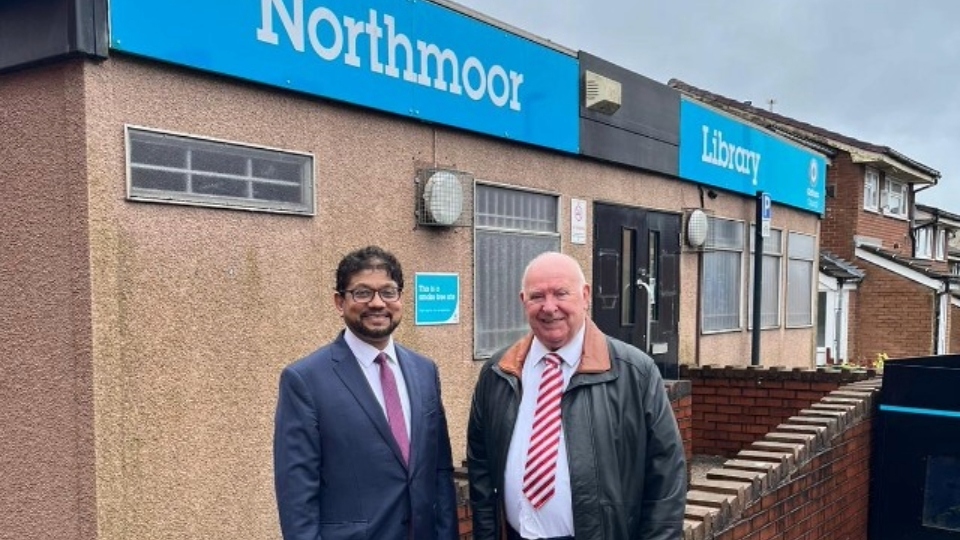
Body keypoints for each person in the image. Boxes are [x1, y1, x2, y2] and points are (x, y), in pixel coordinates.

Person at [467, 251, 687, 540]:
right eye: (537, 297)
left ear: (585, 296)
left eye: (561, 293)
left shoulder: (636, 373)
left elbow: (666, 480)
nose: (549, 307)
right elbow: (480, 467)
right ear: (524, 302)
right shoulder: (498, 372)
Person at [274, 246, 458, 540]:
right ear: (339, 301)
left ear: (400, 298)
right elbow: (297, 494)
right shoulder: (305, 380)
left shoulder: (425, 371)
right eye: (362, 293)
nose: (377, 303)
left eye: (388, 291)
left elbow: (439, 471)